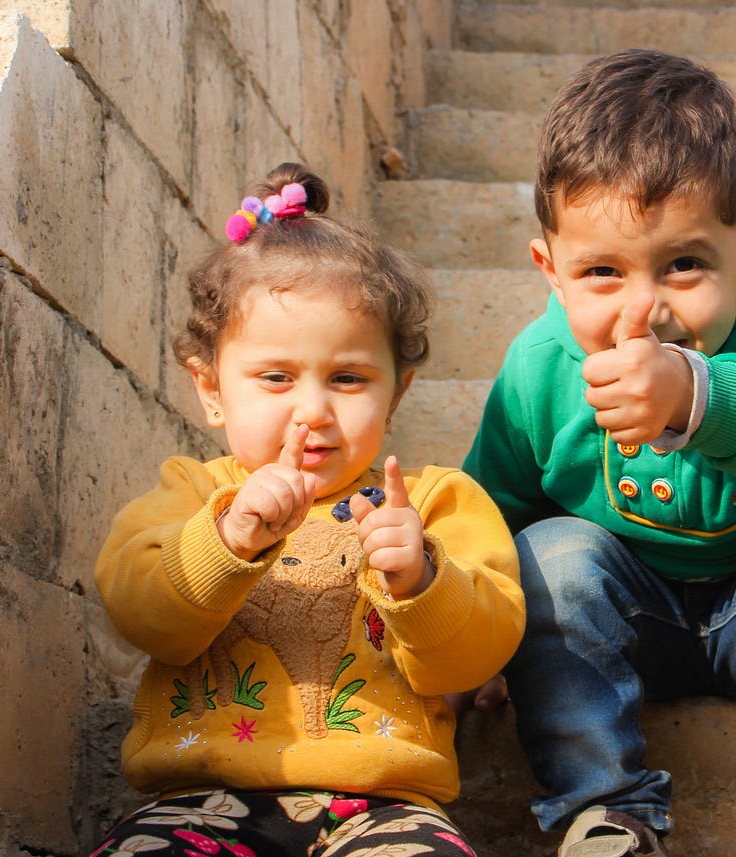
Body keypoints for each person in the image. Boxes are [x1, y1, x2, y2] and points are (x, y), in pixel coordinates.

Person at [462, 49, 736, 857]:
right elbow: (494, 503)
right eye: (602, 272)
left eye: (685, 264)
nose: (642, 309)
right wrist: (476, 632)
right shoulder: (539, 368)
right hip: (629, 617)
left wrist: (697, 393)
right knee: (547, 554)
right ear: (550, 271)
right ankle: (604, 810)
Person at [92, 163, 525, 857]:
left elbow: (481, 650)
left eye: (349, 378)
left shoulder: (438, 502)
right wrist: (226, 539)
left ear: (397, 391)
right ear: (210, 389)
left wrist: (421, 578)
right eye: (275, 378)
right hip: (199, 802)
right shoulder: (193, 492)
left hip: (385, 808)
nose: (314, 411)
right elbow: (142, 614)